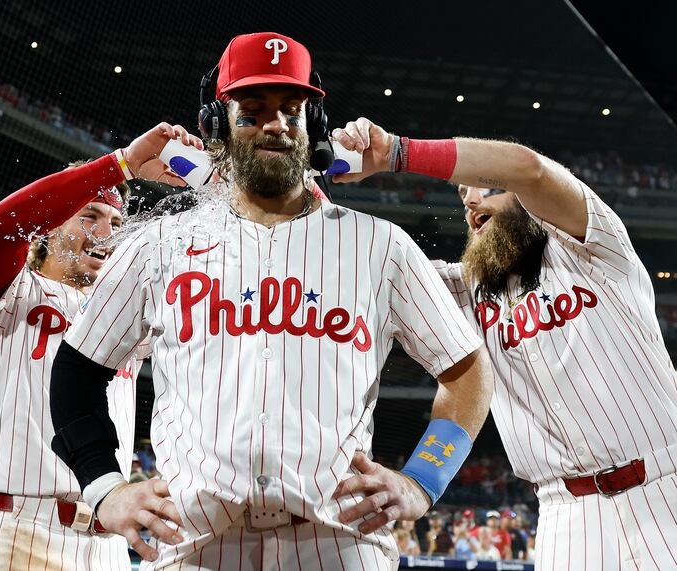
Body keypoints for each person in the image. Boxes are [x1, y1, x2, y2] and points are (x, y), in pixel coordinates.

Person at [48, 32, 493, 570]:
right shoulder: (158, 246)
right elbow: (76, 371)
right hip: (194, 545)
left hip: (341, 543)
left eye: (292, 109)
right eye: (252, 110)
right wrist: (104, 487)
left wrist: (425, 479)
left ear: (315, 126)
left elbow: (467, 371)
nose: (275, 124)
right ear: (215, 125)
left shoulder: (381, 245)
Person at [330, 117, 677, 570]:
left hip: (663, 487)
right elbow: (362, 260)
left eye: (486, 186)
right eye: (464, 194)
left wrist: (397, 151)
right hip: (563, 518)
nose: (470, 198)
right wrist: (277, 170)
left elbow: (527, 168)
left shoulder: (593, 245)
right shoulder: (465, 292)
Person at [0, 123, 202, 570]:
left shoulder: (125, 314)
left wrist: (211, 178)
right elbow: (2, 227)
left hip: (107, 538)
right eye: (89, 216)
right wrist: (120, 164)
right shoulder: (9, 292)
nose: (106, 233)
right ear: (48, 228)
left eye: (116, 223)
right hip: (16, 530)